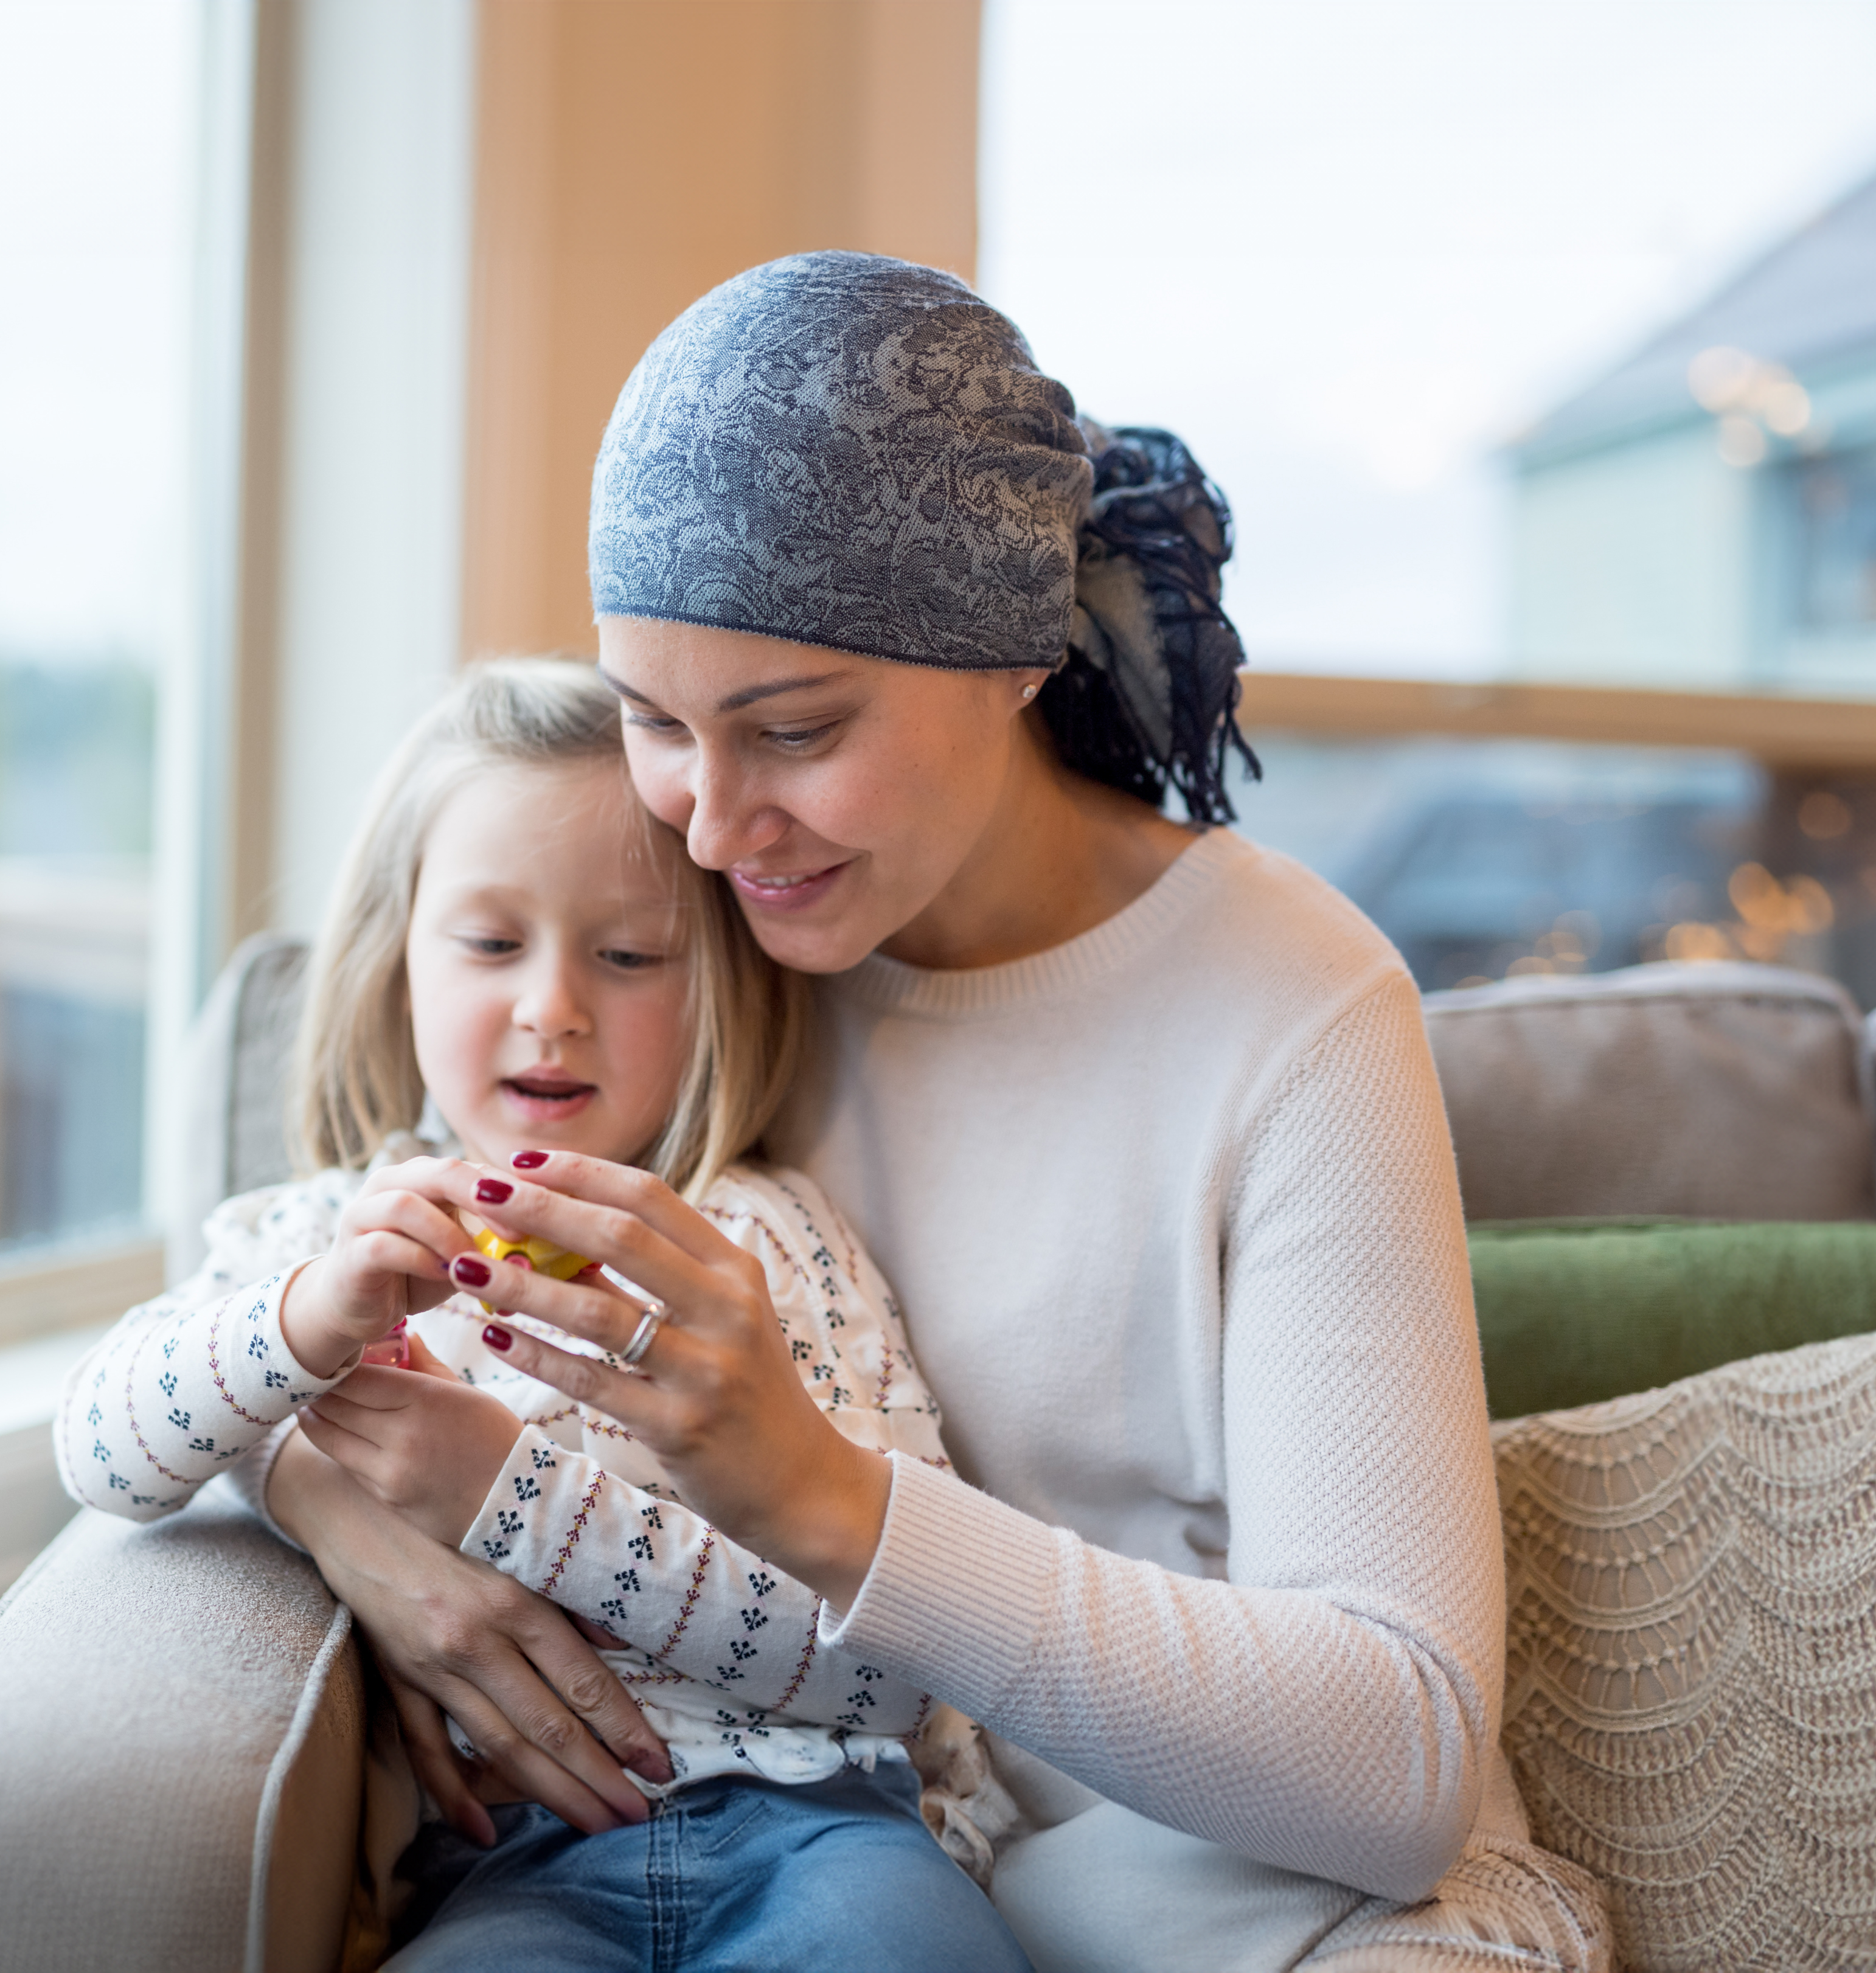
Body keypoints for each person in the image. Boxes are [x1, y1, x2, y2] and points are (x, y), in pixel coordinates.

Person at [260, 253, 1614, 1971]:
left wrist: (826, 1497)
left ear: (1017, 656)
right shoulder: (694, 969)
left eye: (797, 728)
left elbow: (1404, 1763)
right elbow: (300, 1278)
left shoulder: (1294, 1007)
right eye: (657, 723)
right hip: (834, 1896)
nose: (713, 821)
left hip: (1284, 1918)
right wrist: (339, 1507)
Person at [54, 658, 1033, 1972]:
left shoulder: (757, 1240)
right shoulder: (316, 1235)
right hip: (504, 1877)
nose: (552, 1007)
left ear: (719, 987)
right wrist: (300, 1325)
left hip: (820, 1831)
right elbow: (101, 1448)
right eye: (490, 941)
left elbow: (895, 1669)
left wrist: (512, 1499)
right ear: (395, 962)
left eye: (628, 954)